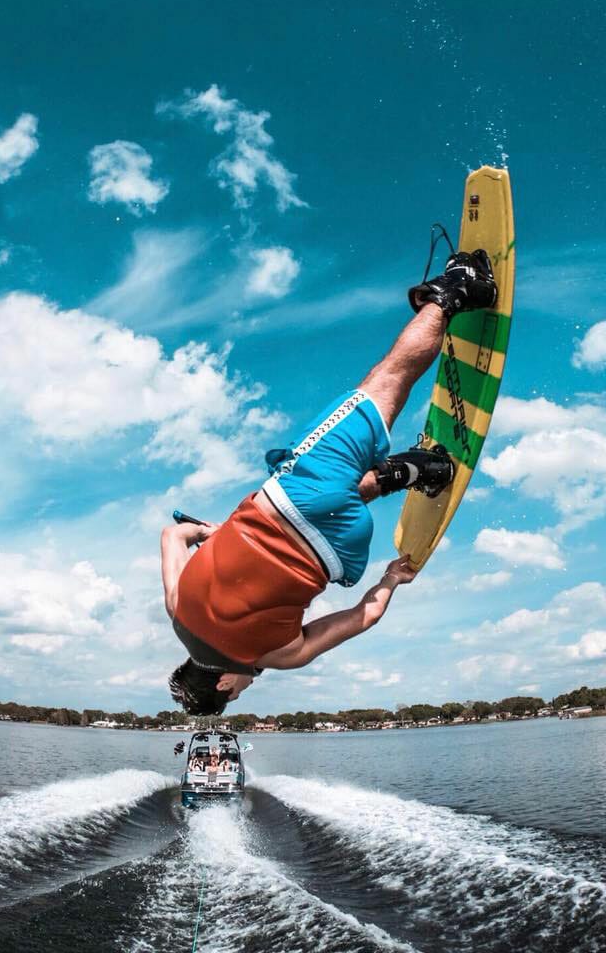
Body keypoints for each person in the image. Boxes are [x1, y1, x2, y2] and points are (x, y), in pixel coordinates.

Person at [162, 249, 498, 716]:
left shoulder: (277, 658)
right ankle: (457, 289)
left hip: (340, 552)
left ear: (221, 680)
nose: (246, 685)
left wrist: (392, 578)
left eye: (238, 691)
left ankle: (413, 471)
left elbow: (367, 614)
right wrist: (210, 533)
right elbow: (172, 533)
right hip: (288, 501)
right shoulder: (177, 605)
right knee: (384, 384)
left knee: (341, 496)